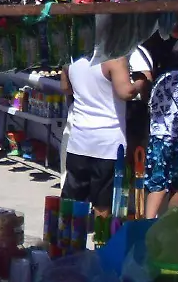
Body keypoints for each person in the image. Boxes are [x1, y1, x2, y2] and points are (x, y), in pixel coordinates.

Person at [61, 51, 143, 215]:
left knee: (73, 197)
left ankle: (66, 237)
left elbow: (65, 88)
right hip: (108, 142)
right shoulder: (114, 59)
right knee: (102, 202)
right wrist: (141, 82)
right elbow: (126, 92)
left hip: (79, 139)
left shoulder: (70, 56)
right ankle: (101, 239)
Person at [146, 41, 178, 217]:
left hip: (158, 138)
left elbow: (151, 107)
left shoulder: (161, 79)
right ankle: (168, 226)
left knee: (157, 185)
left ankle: (146, 226)